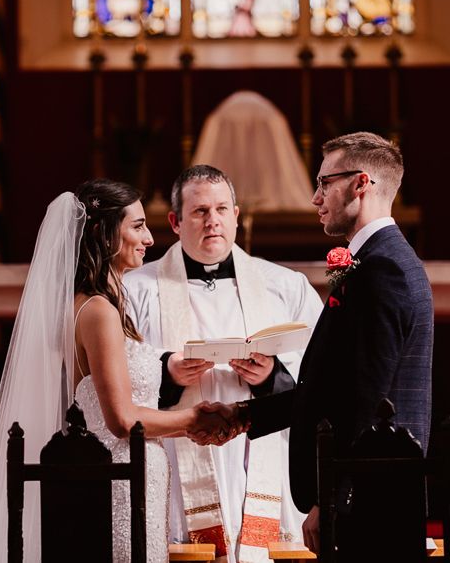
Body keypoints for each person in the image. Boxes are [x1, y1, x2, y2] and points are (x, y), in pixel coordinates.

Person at [0, 180, 231, 563]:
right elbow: (121, 419)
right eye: (137, 226)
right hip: (118, 478)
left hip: (122, 472)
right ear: (101, 232)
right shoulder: (98, 312)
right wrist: (195, 419)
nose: (149, 239)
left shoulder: (97, 306)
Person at [197, 132, 434, 557]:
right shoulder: (379, 261)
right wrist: (242, 415)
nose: (314, 197)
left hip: (370, 500)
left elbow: (367, 401)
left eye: (325, 183)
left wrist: (335, 499)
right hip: (374, 492)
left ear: (361, 184)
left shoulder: (383, 270)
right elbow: (336, 386)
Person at [124, 165, 323, 563]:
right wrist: (168, 371)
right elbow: (114, 370)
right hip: (177, 456)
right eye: (199, 212)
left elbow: (322, 373)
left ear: (236, 215)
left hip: (261, 450)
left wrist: (271, 376)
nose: (212, 221)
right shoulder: (136, 289)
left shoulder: (286, 285)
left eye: (221, 209)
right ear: (176, 222)